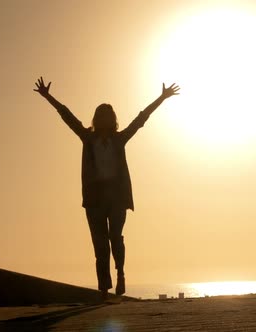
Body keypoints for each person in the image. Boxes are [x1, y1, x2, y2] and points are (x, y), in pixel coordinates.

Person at [33, 77, 180, 299]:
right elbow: (67, 116)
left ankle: (120, 272)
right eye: (100, 116)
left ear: (112, 120)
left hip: (117, 196)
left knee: (115, 237)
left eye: (107, 117)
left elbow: (140, 119)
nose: (103, 120)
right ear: (96, 119)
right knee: (100, 244)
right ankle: (104, 288)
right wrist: (48, 97)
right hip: (94, 198)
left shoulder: (119, 139)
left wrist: (161, 97)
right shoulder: (87, 138)